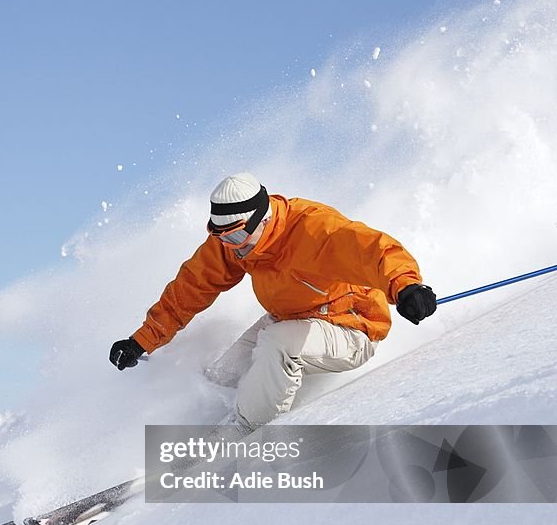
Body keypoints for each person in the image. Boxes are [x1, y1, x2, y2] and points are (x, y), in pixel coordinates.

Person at [109, 173, 436, 432]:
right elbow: (191, 287)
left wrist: (406, 287)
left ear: (261, 220)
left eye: (235, 237)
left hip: (352, 325)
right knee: (223, 375)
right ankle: (215, 423)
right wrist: (142, 340)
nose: (230, 247)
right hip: (291, 318)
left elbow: (374, 250)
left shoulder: (312, 228)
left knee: (278, 345)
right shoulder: (232, 243)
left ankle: (246, 431)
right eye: (220, 237)